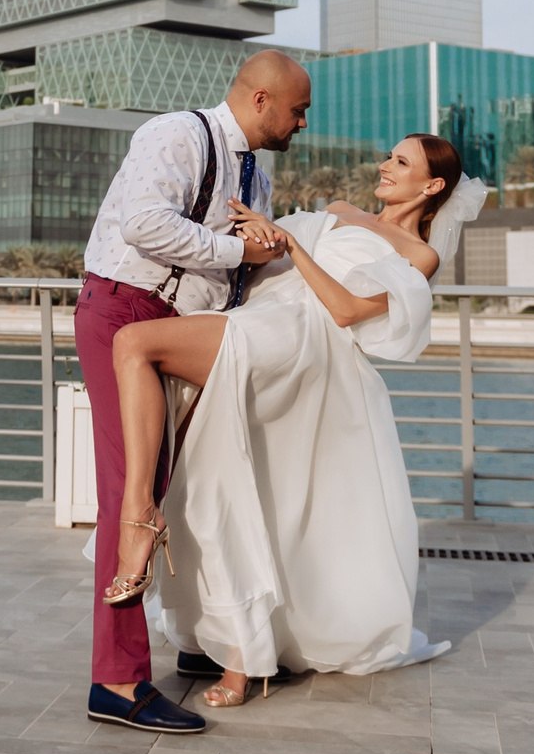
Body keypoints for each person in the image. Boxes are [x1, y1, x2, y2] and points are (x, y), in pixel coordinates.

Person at [111, 133, 484, 709]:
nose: (384, 165)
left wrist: (294, 246)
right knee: (244, 493)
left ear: (431, 186)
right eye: (388, 154)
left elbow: (345, 310)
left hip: (306, 346)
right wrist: (260, 231)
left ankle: (140, 518)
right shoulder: (338, 212)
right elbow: (266, 260)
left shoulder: (419, 255)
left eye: (401, 161)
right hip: (263, 325)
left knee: (136, 343)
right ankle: (240, 656)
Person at [76, 50, 309, 733]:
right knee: (134, 495)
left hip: (187, 330)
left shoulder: (256, 178)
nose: (303, 123)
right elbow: (144, 224)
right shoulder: (176, 134)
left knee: (196, 481)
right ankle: (116, 683)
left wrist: (277, 250)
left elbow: (249, 268)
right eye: (298, 110)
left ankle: (201, 635)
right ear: (261, 99)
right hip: (125, 311)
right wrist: (241, 250)